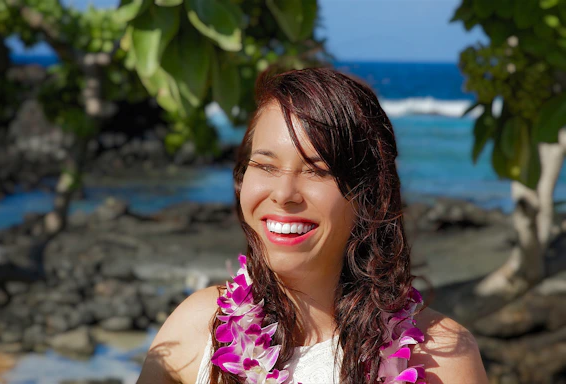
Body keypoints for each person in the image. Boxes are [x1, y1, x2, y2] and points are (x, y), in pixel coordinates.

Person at [137, 68, 489, 384]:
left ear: (369, 194)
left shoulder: (441, 357)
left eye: (316, 171)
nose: (284, 194)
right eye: (265, 166)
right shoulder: (197, 327)